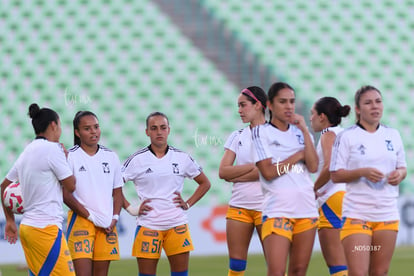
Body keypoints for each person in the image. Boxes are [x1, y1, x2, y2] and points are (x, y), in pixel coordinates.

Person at [122, 111, 211, 276]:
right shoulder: (136, 159)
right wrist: (130, 209)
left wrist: (188, 203)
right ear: (147, 132)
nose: (159, 132)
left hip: (177, 224)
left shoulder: (182, 157)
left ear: (169, 130)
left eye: (163, 127)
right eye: (154, 128)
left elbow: (205, 183)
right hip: (148, 225)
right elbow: (114, 186)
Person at [330, 86, 407, 276]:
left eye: (378, 101)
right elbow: (335, 174)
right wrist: (361, 172)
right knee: (358, 273)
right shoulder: (346, 137)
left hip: (387, 215)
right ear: (357, 109)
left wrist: (400, 174)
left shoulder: (393, 135)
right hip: (357, 214)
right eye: (368, 102)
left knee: (379, 273)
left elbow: (402, 167)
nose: (375, 106)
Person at [251, 82, 319, 276]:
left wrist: (306, 131)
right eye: (282, 101)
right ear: (270, 105)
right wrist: (298, 157)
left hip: (306, 208)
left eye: (292, 101)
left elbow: (313, 166)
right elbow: (269, 172)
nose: (289, 106)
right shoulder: (261, 132)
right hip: (277, 209)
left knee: (298, 271)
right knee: (277, 271)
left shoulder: (301, 133)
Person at [0, 103, 76, 275]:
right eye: (60, 125)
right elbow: (71, 186)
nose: (60, 130)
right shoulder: (53, 149)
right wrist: (66, 159)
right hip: (45, 229)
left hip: (27, 228)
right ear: (53, 125)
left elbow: (3, 186)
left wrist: (10, 221)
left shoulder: (27, 151)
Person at [63, 111, 124, 276]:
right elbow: (65, 195)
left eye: (96, 127)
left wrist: (114, 218)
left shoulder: (111, 156)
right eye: (87, 128)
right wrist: (90, 216)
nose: (93, 132)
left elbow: (118, 193)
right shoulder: (70, 156)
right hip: (81, 221)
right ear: (77, 132)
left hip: (106, 225)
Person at [218, 86, 267, 276]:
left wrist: (236, 175)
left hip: (268, 207)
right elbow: (223, 172)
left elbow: (269, 172)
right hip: (239, 206)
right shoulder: (237, 135)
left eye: (243, 105)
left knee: (276, 265)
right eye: (238, 106)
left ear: (258, 105)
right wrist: (253, 168)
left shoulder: (275, 134)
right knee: (236, 266)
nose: (239, 110)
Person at [310, 97, 351, 276]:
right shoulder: (346, 133)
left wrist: (312, 188)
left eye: (313, 114)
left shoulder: (328, 133)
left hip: (331, 198)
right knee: (350, 261)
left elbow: (329, 166)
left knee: (336, 264)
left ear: (322, 117)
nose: (310, 118)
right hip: (348, 197)